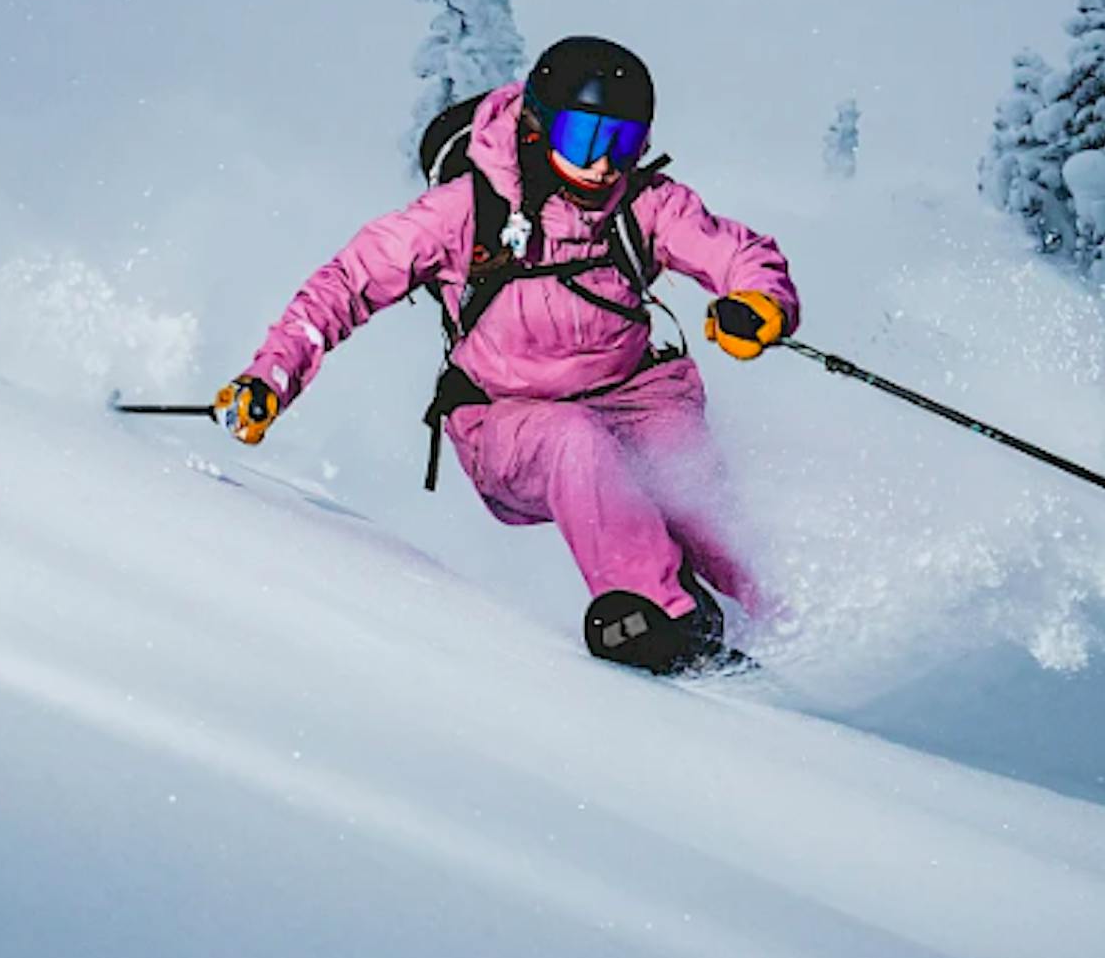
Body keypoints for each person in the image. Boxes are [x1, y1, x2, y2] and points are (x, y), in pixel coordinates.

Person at [214, 36, 799, 675]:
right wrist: (271, 375)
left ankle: (782, 621)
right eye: (584, 139)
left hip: (633, 395)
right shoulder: (466, 212)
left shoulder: (642, 204)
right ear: (541, 126)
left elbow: (736, 252)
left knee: (689, 483)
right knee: (573, 440)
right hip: (508, 419)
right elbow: (346, 283)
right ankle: (660, 614)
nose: (603, 164)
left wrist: (758, 301)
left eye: (622, 144)